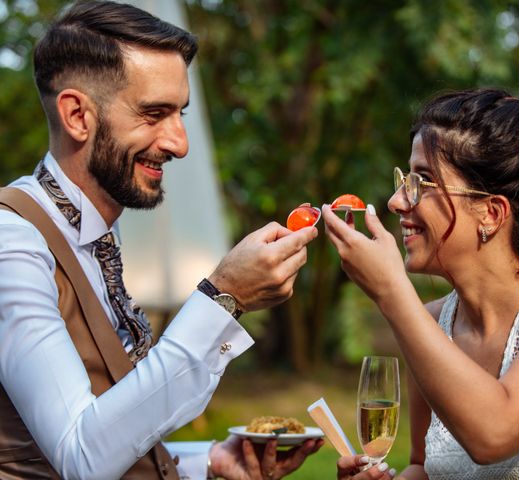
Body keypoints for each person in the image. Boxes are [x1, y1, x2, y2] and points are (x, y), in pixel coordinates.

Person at [0, 1, 322, 479]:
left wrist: (204, 461)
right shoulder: (13, 246)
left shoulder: (93, 237)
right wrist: (223, 298)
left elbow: (108, 428)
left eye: (180, 113)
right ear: (76, 115)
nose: (179, 143)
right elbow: (80, 457)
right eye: (154, 113)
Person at [324, 88, 519, 479]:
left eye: (422, 181)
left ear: (491, 213)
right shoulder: (431, 321)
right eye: (404, 179)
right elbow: (424, 467)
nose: (396, 201)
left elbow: (495, 435)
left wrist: (391, 292)